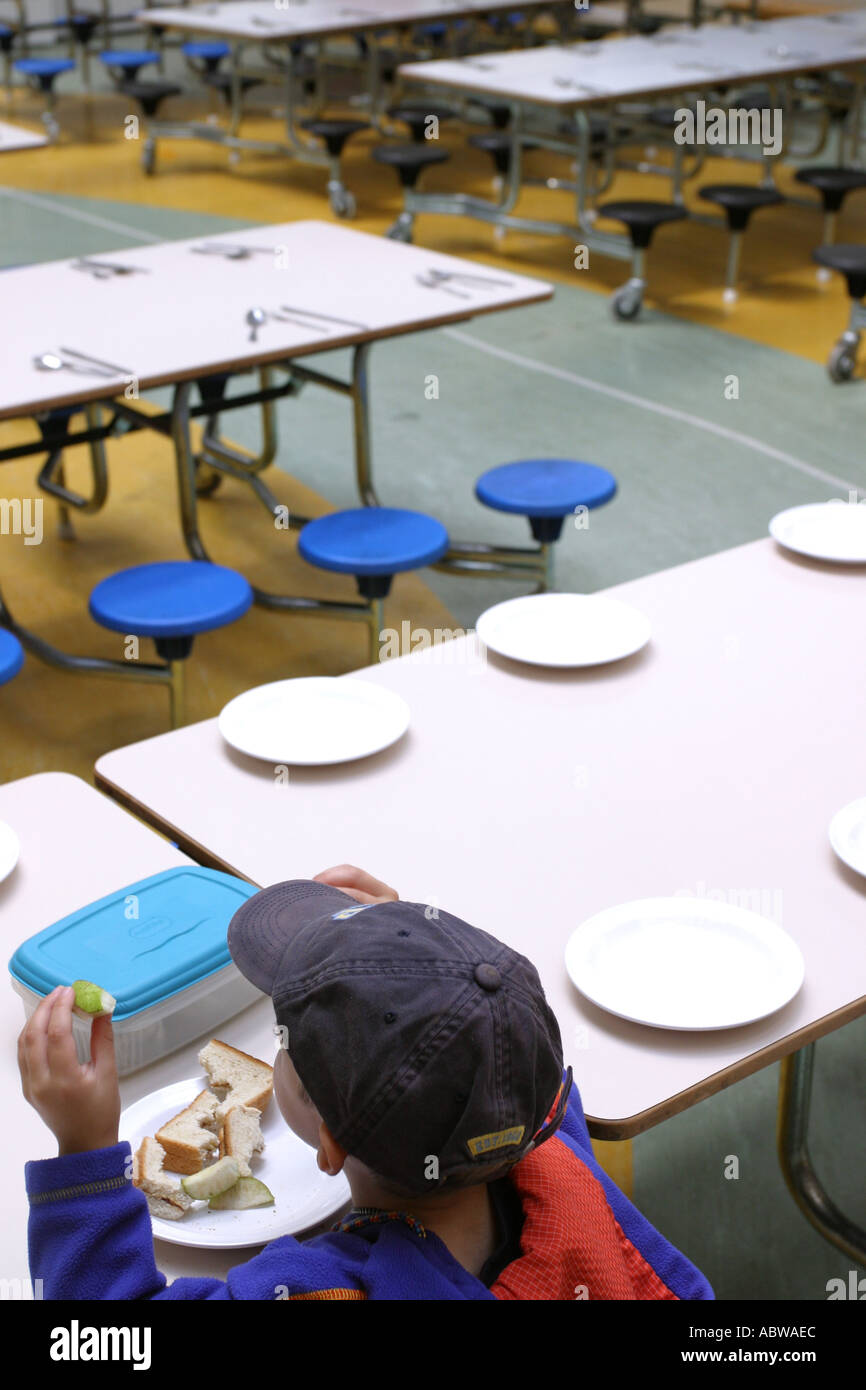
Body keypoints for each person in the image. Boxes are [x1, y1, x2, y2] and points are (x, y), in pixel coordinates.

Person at [20, 864, 713, 1301]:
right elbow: (496, 1050)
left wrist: (83, 1153)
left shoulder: (322, 1290)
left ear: (326, 1141)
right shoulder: (560, 1159)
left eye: (283, 1044)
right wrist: (405, 943)